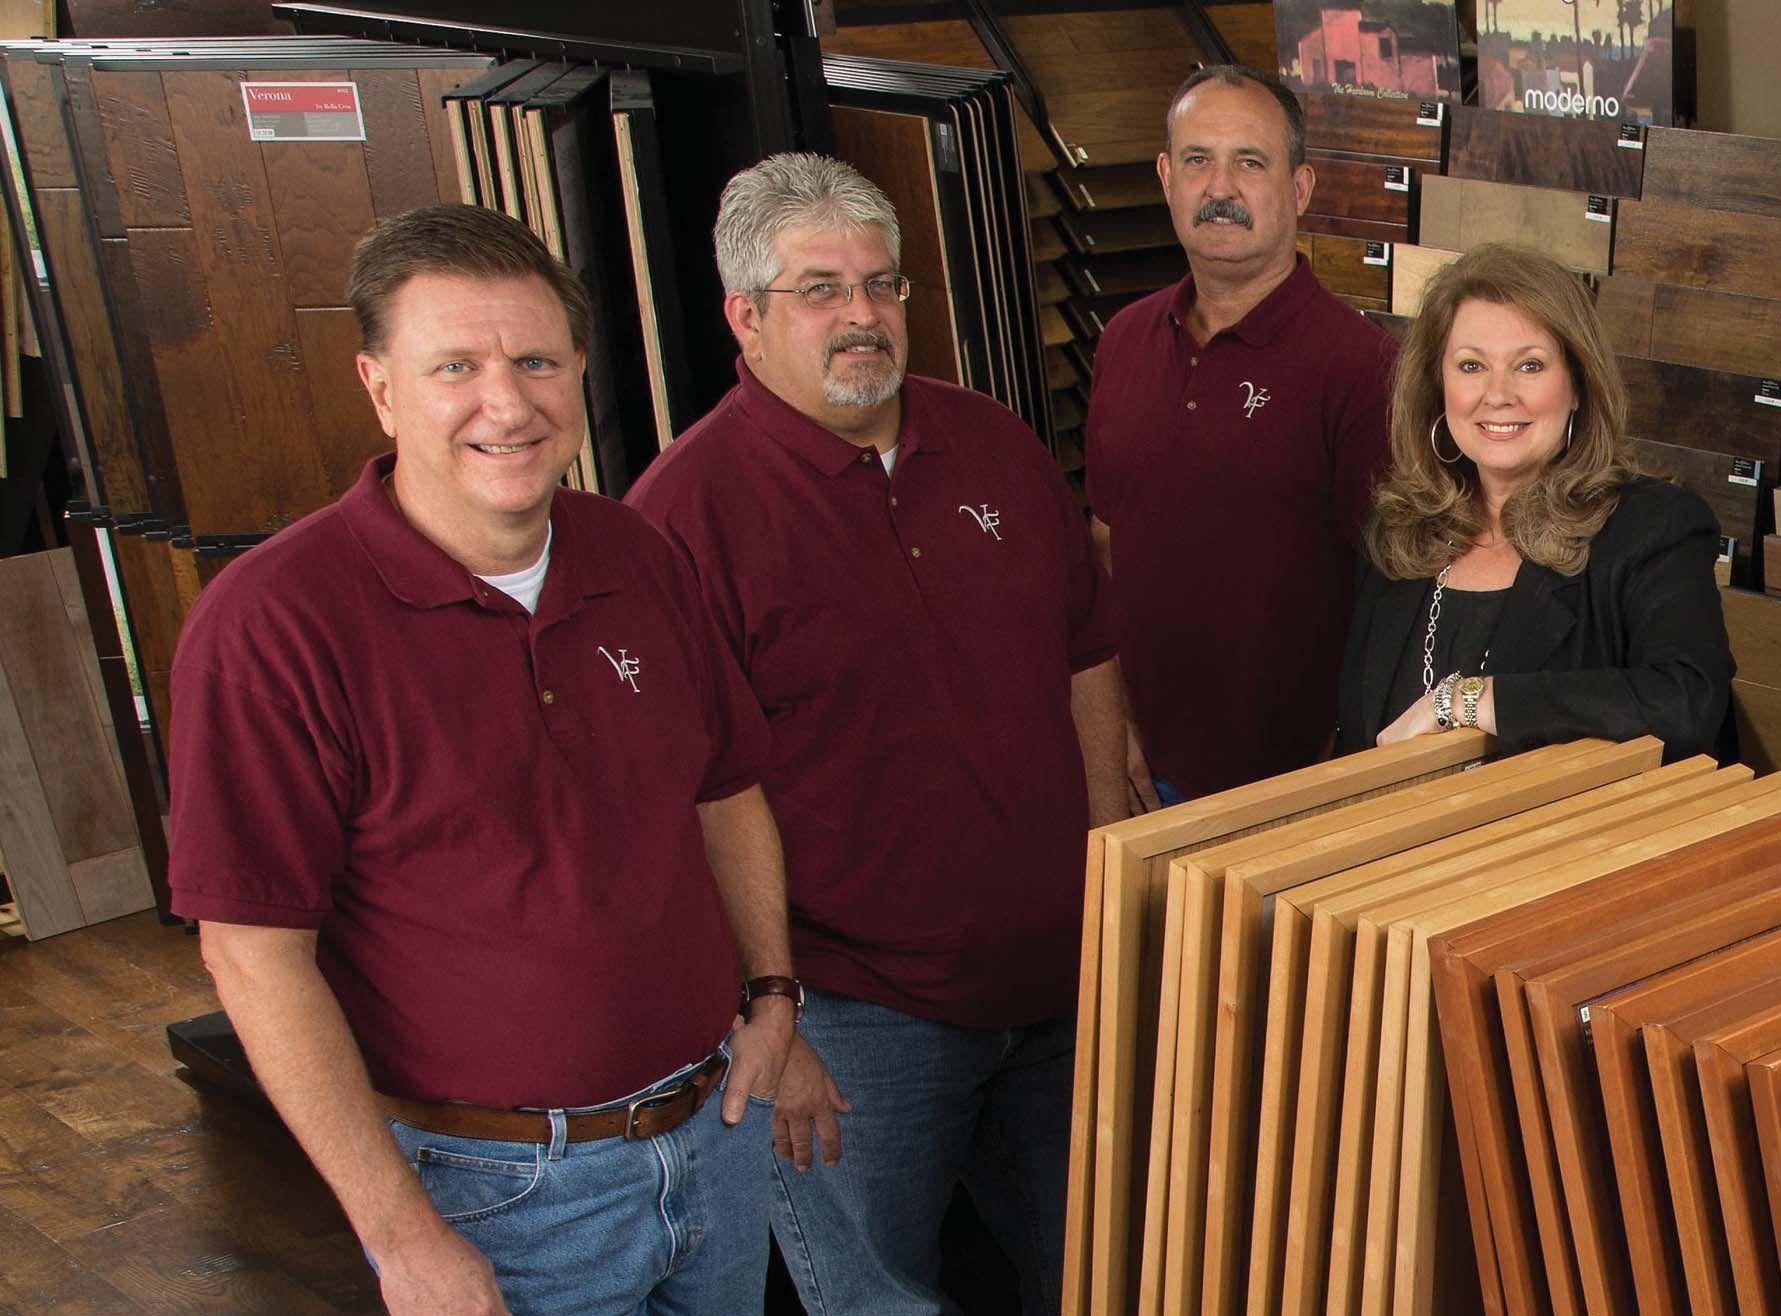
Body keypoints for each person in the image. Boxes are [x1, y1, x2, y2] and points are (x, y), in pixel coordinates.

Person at [166, 204, 806, 1316]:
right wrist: (399, 1234)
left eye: (535, 361)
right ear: (379, 387)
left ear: (578, 372)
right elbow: (254, 955)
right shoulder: (273, 624)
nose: (506, 404)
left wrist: (773, 997)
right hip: (492, 1187)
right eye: (454, 366)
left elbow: (724, 789)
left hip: (716, 1130)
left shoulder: (635, 551)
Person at [625, 152, 1130, 1316]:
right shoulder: (681, 516)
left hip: (1061, 978)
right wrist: (765, 1017)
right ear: (744, 317)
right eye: (819, 289)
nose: (860, 314)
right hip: (852, 1016)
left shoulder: (992, 442)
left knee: (1102, 1274)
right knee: (878, 1300)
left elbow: (1086, 653)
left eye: (881, 283)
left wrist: (1110, 874)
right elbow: (679, 801)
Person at [1084, 64, 1396, 808]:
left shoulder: (1361, 367)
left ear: (1299, 188)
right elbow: (1103, 545)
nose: (1219, 187)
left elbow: (1394, 594)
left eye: (1249, 162)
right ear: (1166, 178)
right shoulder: (1122, 340)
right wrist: (1108, 726)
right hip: (1140, 769)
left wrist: (1335, 769)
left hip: (1295, 788)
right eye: (1198, 160)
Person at [1334, 241, 1733, 758]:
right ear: (1437, 386)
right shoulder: (1396, 527)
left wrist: (1472, 700)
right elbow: (1356, 735)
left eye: (1529, 366)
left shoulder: (1654, 527)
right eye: (1471, 366)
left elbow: (1688, 703)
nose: (1498, 394)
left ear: (1578, 385)